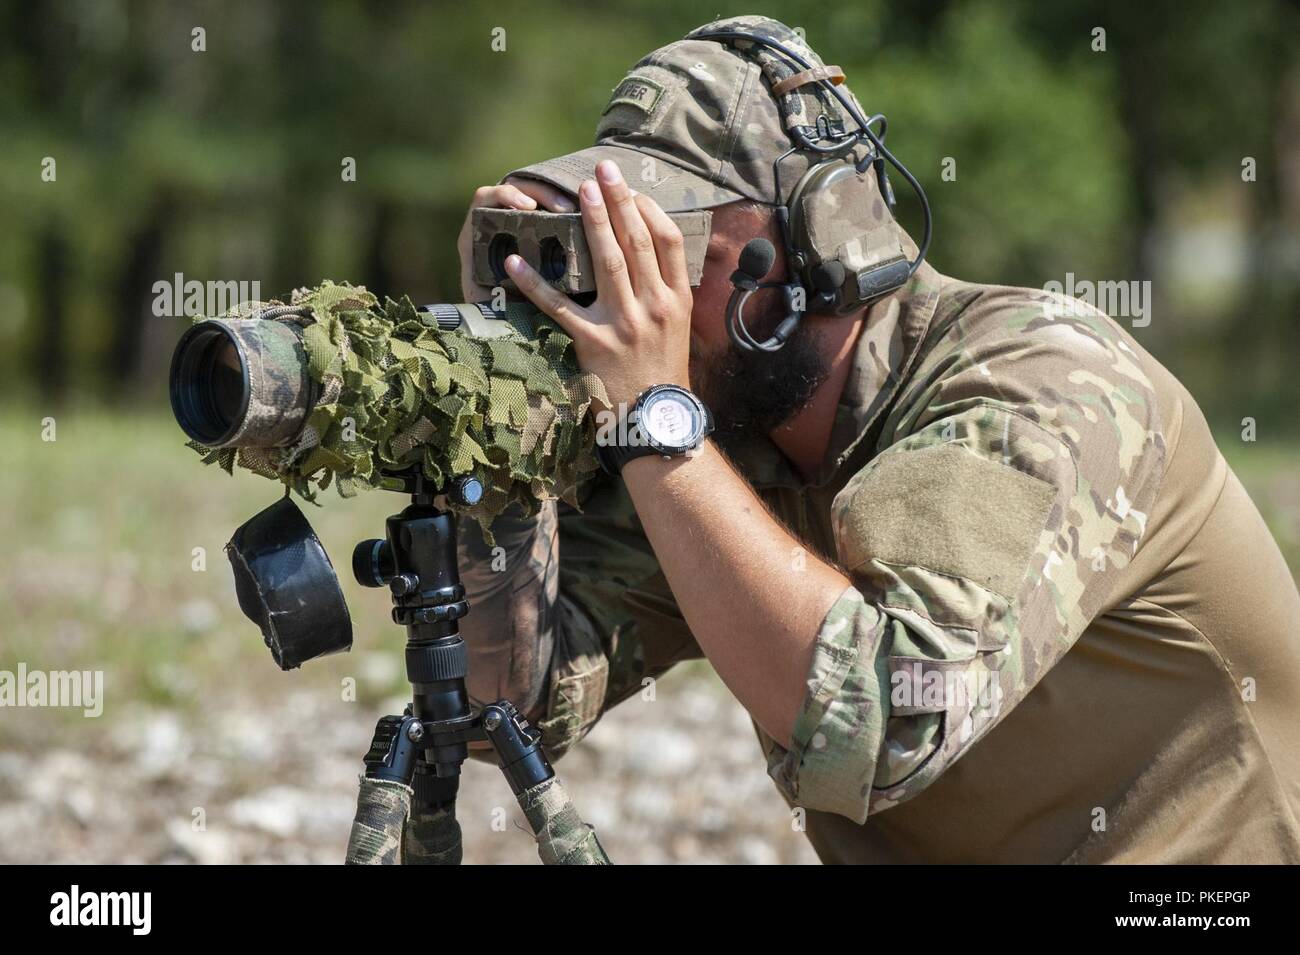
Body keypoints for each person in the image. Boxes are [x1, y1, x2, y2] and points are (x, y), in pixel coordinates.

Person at [452, 15, 1300, 863]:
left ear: (811, 231)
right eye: (616, 244)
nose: (640, 287)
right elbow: (512, 707)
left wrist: (655, 421)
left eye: (675, 239)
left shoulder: (1036, 382)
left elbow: (888, 715)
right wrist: (501, 422)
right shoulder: (733, 444)